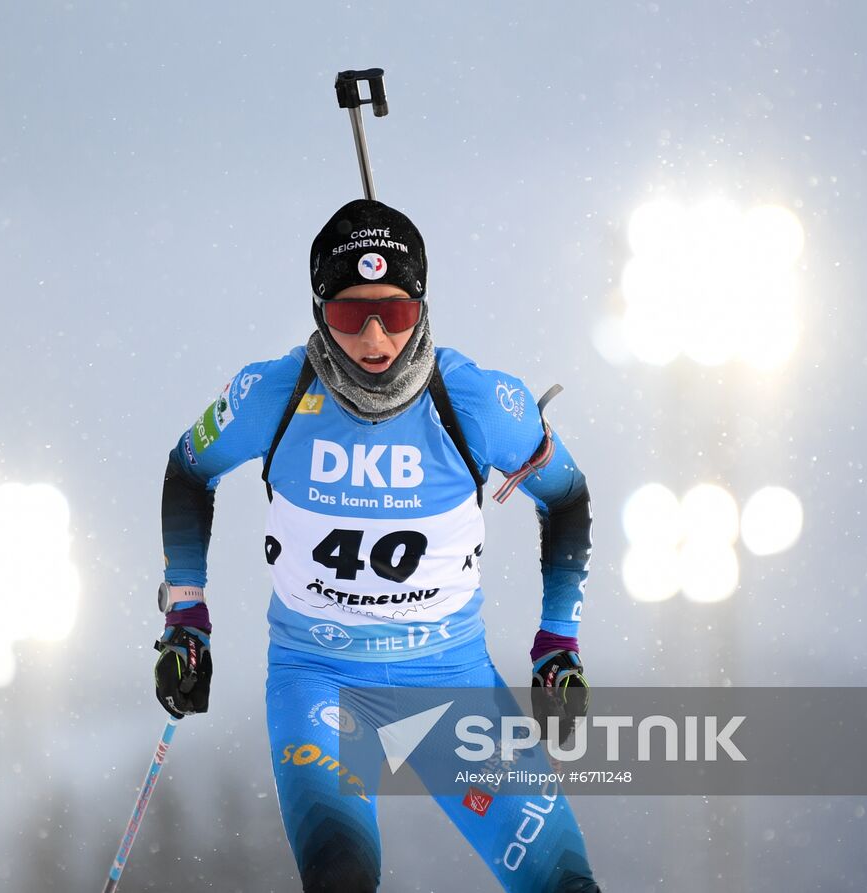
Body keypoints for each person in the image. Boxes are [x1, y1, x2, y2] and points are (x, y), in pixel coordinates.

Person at [154, 199, 600, 892]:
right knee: (343, 878)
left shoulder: (475, 400)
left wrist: (558, 641)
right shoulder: (273, 393)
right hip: (320, 680)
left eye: (393, 313)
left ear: (422, 306)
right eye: (346, 313)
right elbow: (189, 468)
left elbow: (566, 495)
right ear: (317, 308)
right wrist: (186, 616)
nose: (371, 338)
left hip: (449, 682)